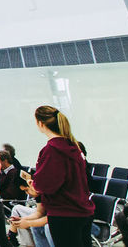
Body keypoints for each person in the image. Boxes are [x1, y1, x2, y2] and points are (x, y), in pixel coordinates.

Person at [29, 106, 94, 247]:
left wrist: (34, 185)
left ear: (40, 123)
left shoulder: (52, 150)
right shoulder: (73, 146)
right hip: (82, 211)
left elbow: (45, 185)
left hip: (64, 214)